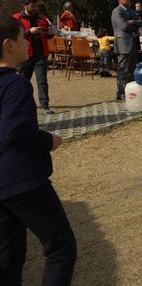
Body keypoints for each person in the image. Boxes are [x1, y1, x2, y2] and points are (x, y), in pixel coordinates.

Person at [0, 15, 77, 285]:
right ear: (9, 45)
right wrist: (48, 141)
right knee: (61, 248)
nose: (28, 43)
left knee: (8, 257)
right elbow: (15, 132)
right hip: (21, 179)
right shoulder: (15, 84)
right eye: (23, 38)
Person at [13, 0, 53, 114]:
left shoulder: (42, 18)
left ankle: (44, 106)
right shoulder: (16, 18)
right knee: (23, 82)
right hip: (25, 55)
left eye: (36, 5)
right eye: (32, 5)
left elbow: (48, 35)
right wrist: (29, 32)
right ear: (25, 5)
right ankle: (22, 106)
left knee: (42, 81)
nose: (35, 8)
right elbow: (14, 36)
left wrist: (50, 33)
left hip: (41, 55)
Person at [111, 0, 142, 101]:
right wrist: (132, 23)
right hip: (123, 44)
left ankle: (130, 91)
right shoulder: (117, 11)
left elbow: (140, 22)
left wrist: (132, 22)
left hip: (133, 43)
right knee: (123, 69)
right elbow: (123, 25)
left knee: (132, 69)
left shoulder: (131, 11)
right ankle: (121, 92)